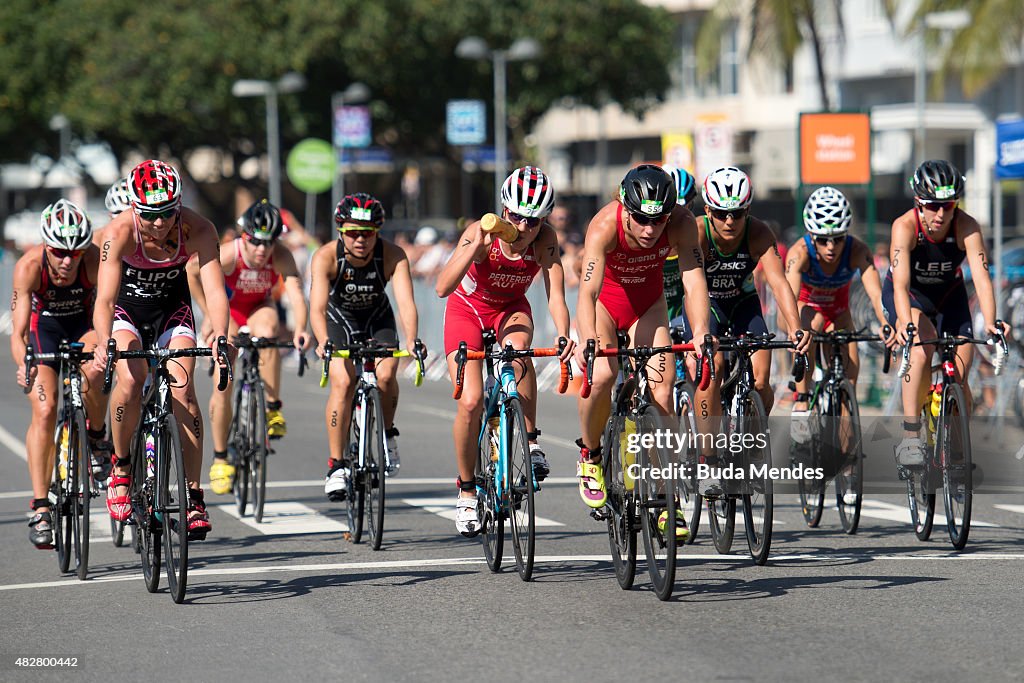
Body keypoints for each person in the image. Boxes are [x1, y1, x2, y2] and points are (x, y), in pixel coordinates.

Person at [91, 159, 232, 540]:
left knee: (184, 391)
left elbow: (216, 291)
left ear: (178, 205)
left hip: (173, 311)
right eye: (150, 214)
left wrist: (220, 333)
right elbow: (104, 301)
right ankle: (120, 467)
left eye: (167, 213)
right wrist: (105, 341)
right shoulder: (118, 231)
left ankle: (193, 495)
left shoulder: (198, 228)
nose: (158, 222)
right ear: (136, 208)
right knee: (131, 380)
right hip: (127, 313)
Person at [436, 166, 574, 536]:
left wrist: (564, 334)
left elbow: (556, 295)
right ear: (504, 210)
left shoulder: (545, 239)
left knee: (520, 353)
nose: (524, 227)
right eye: (516, 217)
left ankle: (530, 442)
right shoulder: (481, 232)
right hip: (467, 309)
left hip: (510, 309)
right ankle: (467, 491)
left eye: (533, 220)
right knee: (471, 402)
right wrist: (473, 249)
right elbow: (442, 286)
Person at [575, 164, 711, 520]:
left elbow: (694, 283)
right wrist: (587, 339)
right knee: (603, 375)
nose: (651, 230)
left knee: (663, 391)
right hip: (607, 304)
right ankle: (590, 455)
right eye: (641, 219)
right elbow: (587, 292)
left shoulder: (682, 224)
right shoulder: (605, 225)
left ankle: (667, 500)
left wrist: (700, 332)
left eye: (659, 220)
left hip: (647, 307)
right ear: (626, 207)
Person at [674, 166, 809, 496]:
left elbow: (779, 283)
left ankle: (746, 442)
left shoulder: (759, 233)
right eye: (721, 213)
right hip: (708, 305)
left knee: (762, 384)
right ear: (708, 211)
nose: (730, 221)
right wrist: (701, 332)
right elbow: (691, 287)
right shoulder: (699, 232)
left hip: (744, 304)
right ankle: (707, 458)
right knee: (714, 367)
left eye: (737, 213)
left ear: (747, 211)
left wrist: (796, 329)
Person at [882, 160, 1009, 466]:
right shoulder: (905, 226)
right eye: (932, 206)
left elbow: (981, 277)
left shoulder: (967, 226)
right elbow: (899, 285)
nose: (940, 214)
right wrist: (902, 323)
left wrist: (991, 323)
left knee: (961, 377)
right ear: (918, 203)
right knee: (922, 353)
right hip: (911, 297)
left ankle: (956, 451)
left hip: (949, 298)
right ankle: (911, 436)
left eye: (948, 206)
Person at [187, 199, 309, 495]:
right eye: (255, 242)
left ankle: (272, 406)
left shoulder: (281, 256)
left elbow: (295, 293)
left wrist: (302, 329)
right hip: (227, 311)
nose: (261, 250)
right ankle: (220, 459)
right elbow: (192, 271)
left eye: (268, 243)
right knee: (222, 381)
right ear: (244, 236)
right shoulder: (229, 253)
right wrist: (205, 314)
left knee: (268, 332)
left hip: (258, 308)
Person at [11, 200, 112, 549]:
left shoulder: (94, 261)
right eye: (59, 252)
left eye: (75, 252)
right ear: (46, 246)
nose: (68, 260)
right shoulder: (28, 267)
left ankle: (97, 438)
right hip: (46, 331)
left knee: (95, 374)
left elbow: (107, 306)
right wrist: (24, 364)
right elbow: (20, 331)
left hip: (84, 327)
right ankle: (40, 507)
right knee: (45, 408)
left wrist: (103, 346)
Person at [310, 193, 421, 501]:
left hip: (376, 317)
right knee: (343, 381)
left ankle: (387, 434)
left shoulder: (394, 255)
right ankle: (336, 465)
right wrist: (323, 341)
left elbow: (406, 303)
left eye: (368, 233)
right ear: (341, 231)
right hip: (338, 319)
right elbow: (317, 308)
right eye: (353, 233)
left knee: (386, 376)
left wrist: (411, 339)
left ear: (378, 232)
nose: (360, 240)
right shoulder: (326, 257)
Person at [784, 186, 888, 443]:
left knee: (848, 383)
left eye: (838, 238)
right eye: (822, 239)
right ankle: (802, 400)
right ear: (811, 234)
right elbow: (789, 300)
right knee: (809, 324)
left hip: (839, 314)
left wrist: (886, 324)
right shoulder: (800, 253)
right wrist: (797, 330)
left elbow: (877, 294)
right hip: (805, 310)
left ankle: (847, 462)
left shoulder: (857, 250)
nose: (831, 247)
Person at [662, 166, 699, 323]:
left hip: (681, 311)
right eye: (672, 210)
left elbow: (696, 287)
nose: (679, 218)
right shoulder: (644, 234)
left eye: (686, 209)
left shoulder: (694, 234)